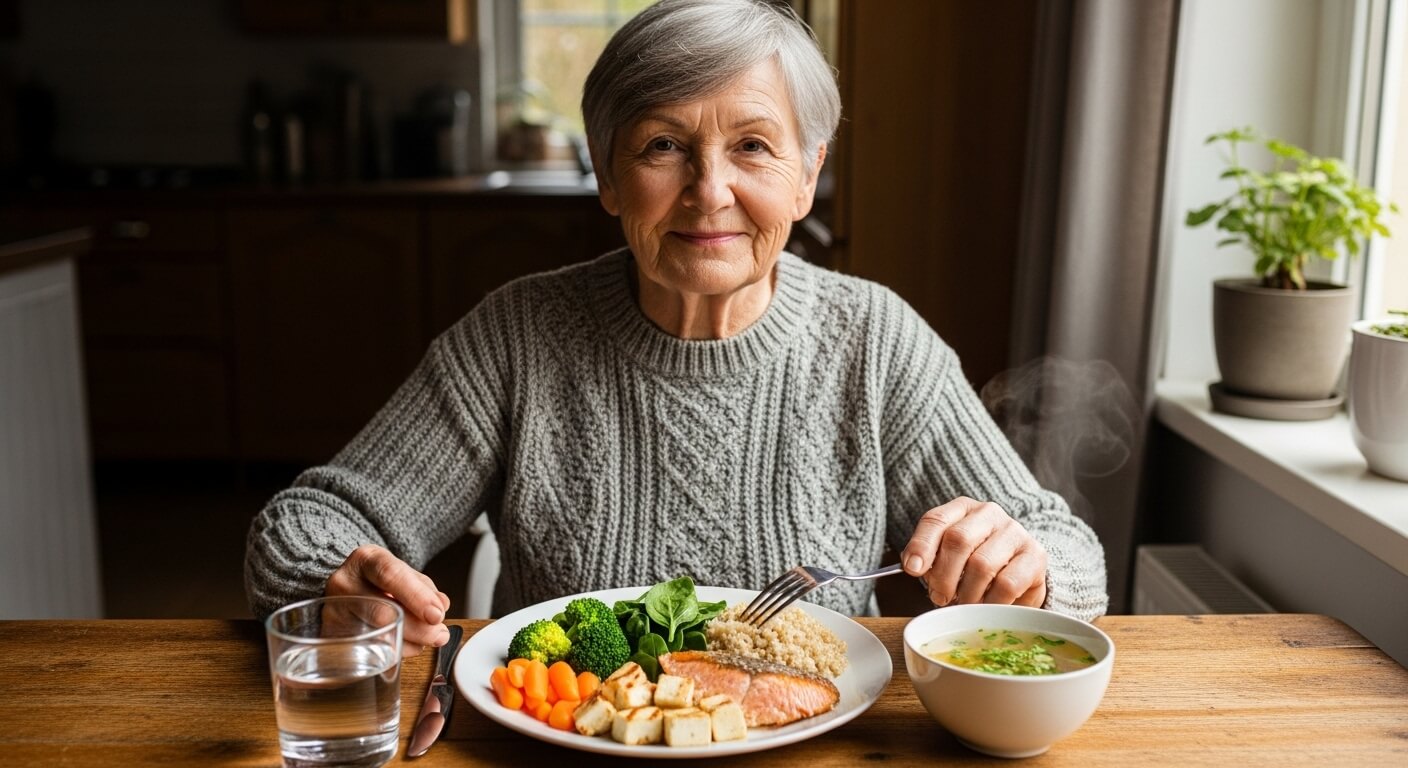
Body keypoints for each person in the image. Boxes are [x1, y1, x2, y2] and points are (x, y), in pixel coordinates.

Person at [244, 0, 1108, 657]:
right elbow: (307, 519)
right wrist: (333, 581)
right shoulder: (518, 335)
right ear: (609, 177)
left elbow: (1071, 555)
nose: (709, 191)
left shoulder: (876, 341)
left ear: (807, 177)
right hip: (559, 739)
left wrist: (1025, 569)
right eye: (662, 146)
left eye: (754, 147)